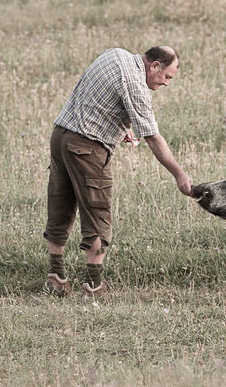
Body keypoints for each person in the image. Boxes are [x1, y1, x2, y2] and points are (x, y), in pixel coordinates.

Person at [42, 46, 192, 298]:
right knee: (97, 212)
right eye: (167, 77)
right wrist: (179, 174)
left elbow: (96, 96)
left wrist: (120, 127)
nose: (166, 83)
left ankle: (56, 277)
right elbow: (153, 137)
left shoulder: (115, 54)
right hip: (87, 147)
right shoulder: (136, 84)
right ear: (154, 65)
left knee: (60, 205)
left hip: (60, 137)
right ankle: (93, 285)